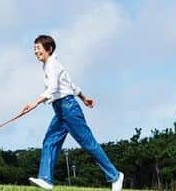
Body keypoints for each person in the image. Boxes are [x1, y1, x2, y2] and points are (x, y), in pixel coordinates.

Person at [21, 34, 124, 191]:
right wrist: (83, 97)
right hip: (61, 110)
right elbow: (71, 84)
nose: (35, 51)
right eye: (34, 48)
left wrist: (35, 102)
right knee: (50, 141)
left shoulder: (52, 65)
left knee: (88, 143)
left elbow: (54, 88)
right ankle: (46, 179)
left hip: (68, 109)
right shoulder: (49, 65)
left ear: (48, 49)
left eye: (38, 48)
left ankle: (115, 176)